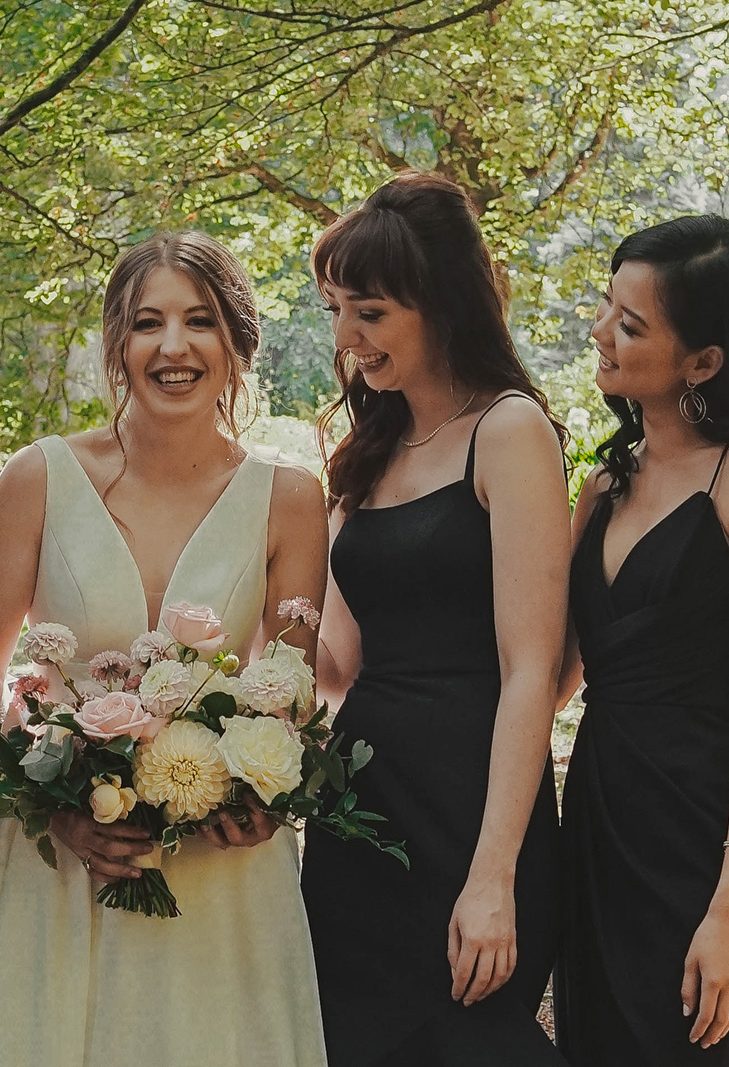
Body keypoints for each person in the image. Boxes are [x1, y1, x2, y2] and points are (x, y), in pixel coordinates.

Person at [0, 230, 330, 1067]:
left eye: (199, 321)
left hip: (218, 876)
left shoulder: (289, 497)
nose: (173, 348)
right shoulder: (39, 477)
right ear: (116, 343)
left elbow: (288, 684)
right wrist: (50, 799)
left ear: (237, 340)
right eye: (146, 323)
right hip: (58, 860)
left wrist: (258, 796)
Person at [555, 216, 729, 1065]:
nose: (600, 333)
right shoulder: (604, 485)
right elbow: (557, 673)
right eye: (606, 308)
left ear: (704, 361)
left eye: (630, 325)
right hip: (598, 824)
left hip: (703, 841)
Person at [302, 172, 569, 1066]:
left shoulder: (509, 431)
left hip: (471, 804)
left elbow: (532, 671)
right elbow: (336, 661)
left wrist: (494, 874)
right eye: (337, 311)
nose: (346, 339)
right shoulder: (366, 452)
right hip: (359, 804)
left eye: (371, 313)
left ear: (443, 301)